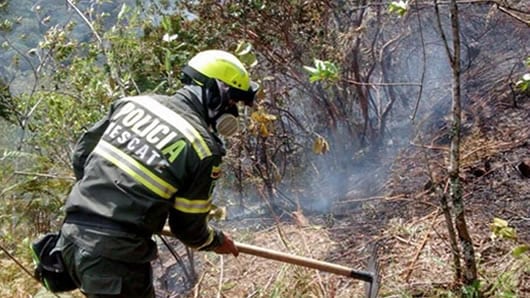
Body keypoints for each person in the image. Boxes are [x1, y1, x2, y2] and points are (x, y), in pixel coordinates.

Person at [55, 49, 259, 297]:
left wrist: (103, 201)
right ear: (217, 92)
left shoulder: (132, 104)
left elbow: (81, 157)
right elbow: (188, 229)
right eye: (233, 102)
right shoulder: (203, 148)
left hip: (69, 239)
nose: (233, 112)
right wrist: (217, 241)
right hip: (114, 259)